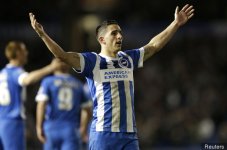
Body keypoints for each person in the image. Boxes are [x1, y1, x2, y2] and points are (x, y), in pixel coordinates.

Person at [29, 4, 194, 150]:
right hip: (103, 134)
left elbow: (153, 46)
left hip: (129, 134)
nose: (120, 36)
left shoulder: (128, 58)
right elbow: (63, 56)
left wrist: (176, 24)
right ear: (102, 39)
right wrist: (43, 35)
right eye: (114, 33)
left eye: (120, 33)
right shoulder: (92, 61)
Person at [0, 41, 58, 150]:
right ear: (17, 53)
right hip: (13, 121)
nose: (26, 53)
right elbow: (27, 79)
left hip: (2, 120)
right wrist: (50, 68)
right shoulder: (15, 72)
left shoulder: (2, 73)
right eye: (24, 50)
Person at [35, 58, 92, 150]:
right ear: (68, 66)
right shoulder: (77, 84)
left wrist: (39, 127)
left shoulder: (48, 82)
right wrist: (83, 128)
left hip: (51, 128)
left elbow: (41, 105)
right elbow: (87, 110)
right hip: (70, 129)